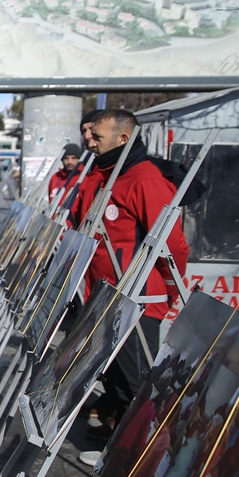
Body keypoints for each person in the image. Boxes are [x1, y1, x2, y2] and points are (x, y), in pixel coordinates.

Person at [77, 110, 188, 442]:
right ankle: (116, 443)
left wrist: (169, 289)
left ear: (122, 138)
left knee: (135, 382)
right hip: (102, 293)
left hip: (135, 298)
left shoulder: (144, 178)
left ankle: (133, 461)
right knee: (109, 374)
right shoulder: (103, 172)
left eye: (96, 135)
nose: (89, 139)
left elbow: (173, 243)